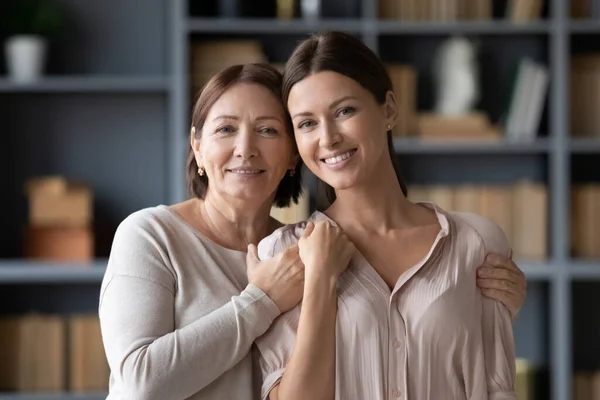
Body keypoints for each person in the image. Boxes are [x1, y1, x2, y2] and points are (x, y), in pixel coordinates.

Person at [98, 63, 525, 399]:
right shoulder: (151, 235)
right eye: (225, 129)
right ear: (197, 147)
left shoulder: (301, 246)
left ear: (292, 155)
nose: (245, 148)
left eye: (268, 130)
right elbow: (139, 385)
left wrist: (473, 302)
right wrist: (260, 301)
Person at [256, 31, 520, 400]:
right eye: (307, 123)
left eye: (344, 111)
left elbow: (497, 387)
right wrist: (320, 276)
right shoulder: (281, 255)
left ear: (389, 109)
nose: (328, 137)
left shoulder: (476, 243)